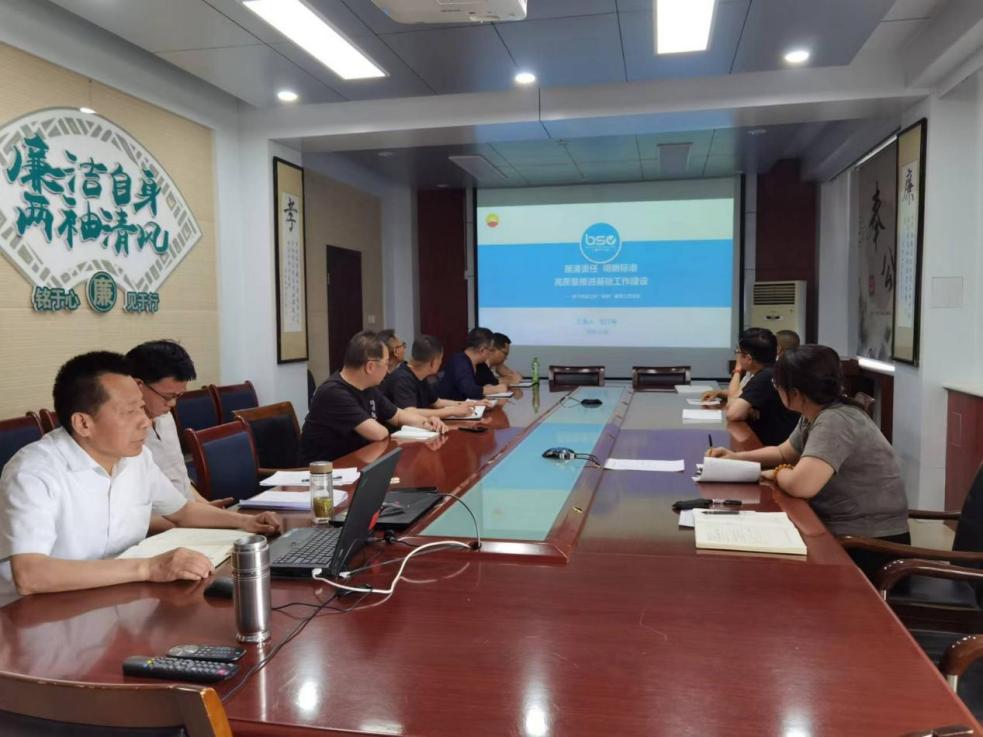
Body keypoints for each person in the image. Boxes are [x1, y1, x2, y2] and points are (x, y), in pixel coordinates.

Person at [0, 351, 281, 603]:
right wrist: (148, 568)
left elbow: (182, 511)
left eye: (141, 408)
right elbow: (30, 575)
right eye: (129, 412)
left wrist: (246, 522)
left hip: (117, 600)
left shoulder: (136, 458)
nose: (145, 421)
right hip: (37, 617)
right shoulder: (34, 473)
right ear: (83, 423)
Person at [706, 344, 909, 576]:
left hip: (869, 545)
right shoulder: (816, 412)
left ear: (794, 393)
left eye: (776, 384)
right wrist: (735, 458)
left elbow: (801, 485)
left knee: (765, 571)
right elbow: (783, 453)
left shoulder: (835, 420)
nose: (775, 388)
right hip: (840, 531)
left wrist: (777, 473)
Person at [126, 340, 233, 533]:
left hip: (185, 521)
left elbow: (179, 477)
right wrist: (193, 520)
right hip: (158, 534)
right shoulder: (119, 434)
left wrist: (205, 508)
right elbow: (127, 519)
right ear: (137, 385)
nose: (173, 404)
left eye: (178, 396)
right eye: (168, 396)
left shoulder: (165, 416)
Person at [300, 331, 447, 464]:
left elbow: (397, 416)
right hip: (322, 474)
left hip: (354, 463)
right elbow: (378, 433)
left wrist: (427, 422)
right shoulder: (333, 393)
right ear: (370, 367)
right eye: (386, 363)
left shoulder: (367, 388)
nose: (388, 369)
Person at [703, 328, 798, 446]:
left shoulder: (764, 377)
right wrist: (747, 409)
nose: (737, 357)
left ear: (748, 358)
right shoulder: (772, 371)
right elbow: (739, 398)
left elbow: (732, 413)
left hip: (773, 445)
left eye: (738, 352)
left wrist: (738, 369)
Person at [382, 335, 490, 419]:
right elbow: (409, 412)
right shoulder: (402, 378)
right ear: (433, 362)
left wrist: (470, 404)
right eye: (440, 359)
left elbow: (437, 403)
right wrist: (451, 411)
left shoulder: (420, 376)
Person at [437, 327, 508, 400]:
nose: (490, 353)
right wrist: (494, 390)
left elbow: (493, 381)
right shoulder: (459, 361)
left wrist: (489, 386)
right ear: (482, 350)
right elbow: (469, 390)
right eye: (491, 350)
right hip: (450, 405)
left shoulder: (480, 364)